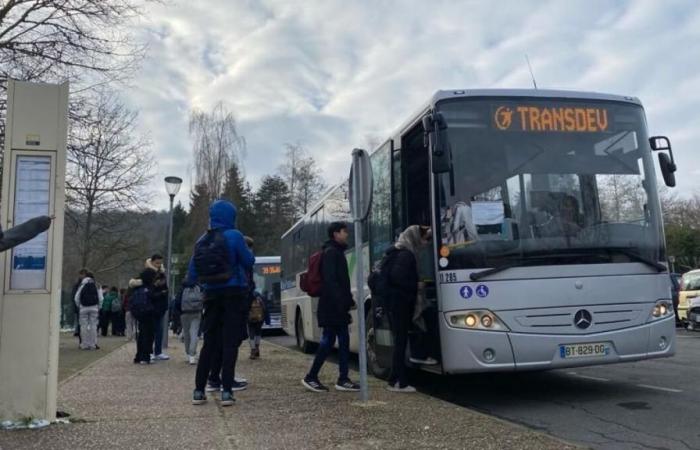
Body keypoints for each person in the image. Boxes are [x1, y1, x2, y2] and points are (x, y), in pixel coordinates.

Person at [190, 199, 255, 407]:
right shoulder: (234, 236)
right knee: (229, 344)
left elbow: (192, 274)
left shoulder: (202, 239)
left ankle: (199, 391)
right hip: (233, 294)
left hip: (211, 296)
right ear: (231, 217)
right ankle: (226, 391)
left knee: (209, 344)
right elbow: (249, 261)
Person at [302, 222, 360, 393]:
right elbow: (333, 282)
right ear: (336, 234)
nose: (346, 234)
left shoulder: (334, 252)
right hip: (332, 306)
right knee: (328, 341)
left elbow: (340, 282)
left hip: (334, 305)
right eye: (344, 232)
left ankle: (343, 378)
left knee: (342, 341)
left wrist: (346, 300)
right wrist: (344, 302)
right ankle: (311, 377)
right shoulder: (332, 253)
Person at [385, 225, 433, 393]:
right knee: (400, 343)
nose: (425, 243)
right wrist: (416, 285)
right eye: (424, 238)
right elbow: (397, 279)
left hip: (397, 305)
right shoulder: (406, 255)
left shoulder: (400, 252)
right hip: (400, 305)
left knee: (401, 342)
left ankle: (393, 379)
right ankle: (401, 383)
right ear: (414, 238)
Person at [129, 255, 169, 360]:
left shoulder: (161, 274)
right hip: (150, 308)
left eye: (160, 263)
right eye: (157, 263)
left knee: (155, 331)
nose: (159, 265)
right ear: (152, 262)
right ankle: (148, 353)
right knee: (149, 332)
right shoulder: (148, 275)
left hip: (156, 307)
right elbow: (152, 292)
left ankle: (154, 352)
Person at [133, 269, 158, 364]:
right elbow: (153, 297)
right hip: (149, 313)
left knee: (141, 335)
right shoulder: (151, 287)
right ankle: (145, 356)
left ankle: (139, 356)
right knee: (148, 335)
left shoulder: (138, 287)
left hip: (139, 313)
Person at [177, 279, 204, 365]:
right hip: (197, 312)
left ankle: (188, 354)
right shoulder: (199, 286)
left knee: (186, 333)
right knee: (194, 333)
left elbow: (177, 301)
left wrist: (179, 312)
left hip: (184, 313)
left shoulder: (182, 287)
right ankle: (192, 355)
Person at [74, 271, 103, 350]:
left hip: (83, 308)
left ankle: (84, 344)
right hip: (94, 307)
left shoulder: (82, 285)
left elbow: (76, 297)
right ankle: (93, 344)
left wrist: (79, 306)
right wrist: (99, 307)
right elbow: (101, 298)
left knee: (83, 326)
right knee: (93, 326)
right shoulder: (97, 285)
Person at [247, 290, 270, 359]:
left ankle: (253, 351)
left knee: (251, 334)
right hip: (260, 318)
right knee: (258, 333)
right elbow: (265, 309)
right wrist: (267, 320)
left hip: (250, 319)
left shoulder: (247, 296)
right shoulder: (261, 297)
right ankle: (257, 348)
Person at [70, 269, 88, 346]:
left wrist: (76, 306)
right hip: (87, 307)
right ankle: (86, 341)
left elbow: (74, 297)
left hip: (80, 307)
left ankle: (82, 341)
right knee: (87, 325)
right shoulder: (90, 283)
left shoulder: (77, 285)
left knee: (82, 325)